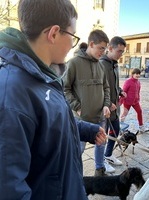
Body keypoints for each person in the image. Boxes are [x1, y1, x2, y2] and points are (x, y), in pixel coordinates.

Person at [0, 0, 107, 199]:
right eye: (73, 36)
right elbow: (9, 188)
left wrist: (85, 130)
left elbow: (50, 122)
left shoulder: (43, 75)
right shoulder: (12, 93)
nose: (73, 44)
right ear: (54, 33)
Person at [62, 29, 112, 176]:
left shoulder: (101, 65)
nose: (103, 52)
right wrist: (76, 107)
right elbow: (64, 89)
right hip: (81, 120)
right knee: (78, 150)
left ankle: (99, 169)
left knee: (101, 144)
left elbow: (106, 87)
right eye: (101, 48)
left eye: (105, 48)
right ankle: (75, 177)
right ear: (91, 44)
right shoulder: (73, 63)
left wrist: (106, 105)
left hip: (100, 118)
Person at [99, 36, 127, 170]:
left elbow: (113, 84)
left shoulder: (114, 64)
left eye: (123, 52)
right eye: (119, 51)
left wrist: (120, 91)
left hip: (115, 107)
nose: (121, 54)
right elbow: (99, 87)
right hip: (105, 108)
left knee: (115, 130)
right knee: (102, 135)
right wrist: (108, 103)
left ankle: (108, 154)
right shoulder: (101, 64)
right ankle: (100, 162)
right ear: (110, 48)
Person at [120, 68, 149, 133]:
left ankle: (141, 127)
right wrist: (120, 102)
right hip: (127, 101)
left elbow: (138, 92)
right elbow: (123, 92)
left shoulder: (138, 82)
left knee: (139, 111)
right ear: (133, 74)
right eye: (136, 74)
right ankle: (120, 127)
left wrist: (138, 98)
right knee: (124, 114)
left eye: (139, 74)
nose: (138, 75)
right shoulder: (128, 81)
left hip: (135, 102)